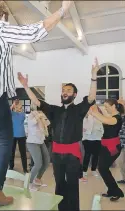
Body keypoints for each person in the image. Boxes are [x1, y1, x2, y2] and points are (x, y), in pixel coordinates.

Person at [0, 1, 74, 207]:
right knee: (4, 142)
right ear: (3, 17)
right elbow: (35, 32)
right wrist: (63, 10)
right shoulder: (2, 30)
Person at [17, 58, 99, 211]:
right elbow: (37, 101)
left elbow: (91, 98)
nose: (65, 92)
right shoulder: (55, 110)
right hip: (56, 152)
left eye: (68, 90)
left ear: (74, 95)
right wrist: (26, 86)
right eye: (63, 90)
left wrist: (94, 77)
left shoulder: (79, 109)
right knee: (60, 184)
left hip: (72, 153)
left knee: (73, 185)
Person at [90, 99, 125, 201]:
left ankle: (117, 192)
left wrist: (94, 112)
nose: (105, 109)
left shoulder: (117, 118)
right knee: (102, 168)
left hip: (112, 147)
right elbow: (103, 117)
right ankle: (111, 190)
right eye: (104, 107)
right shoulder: (111, 116)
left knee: (103, 168)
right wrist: (95, 108)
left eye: (107, 107)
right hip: (105, 145)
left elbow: (104, 120)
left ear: (114, 106)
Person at [26, 104, 50, 191]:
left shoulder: (42, 116)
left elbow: (48, 123)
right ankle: (29, 183)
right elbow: (32, 123)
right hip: (32, 142)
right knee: (38, 163)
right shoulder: (31, 116)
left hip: (41, 141)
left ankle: (37, 179)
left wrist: (42, 117)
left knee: (46, 161)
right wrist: (38, 116)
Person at [82, 107, 104, 180]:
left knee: (96, 155)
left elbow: (102, 127)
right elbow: (82, 124)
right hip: (87, 138)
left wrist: (101, 133)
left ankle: (93, 170)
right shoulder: (86, 115)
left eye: (95, 108)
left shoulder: (100, 116)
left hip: (97, 138)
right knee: (87, 154)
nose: (93, 109)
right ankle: (84, 170)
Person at [9, 99, 28, 173]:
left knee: (23, 153)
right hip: (13, 136)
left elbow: (21, 112)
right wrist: (13, 104)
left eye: (20, 107)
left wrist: (18, 106)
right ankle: (11, 167)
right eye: (17, 107)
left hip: (22, 136)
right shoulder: (12, 114)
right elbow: (8, 111)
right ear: (14, 108)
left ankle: (25, 169)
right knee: (11, 152)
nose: (18, 108)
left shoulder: (22, 114)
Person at [117, 100, 125, 185]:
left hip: (123, 142)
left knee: (122, 162)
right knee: (121, 162)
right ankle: (124, 178)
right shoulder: (118, 118)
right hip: (121, 144)